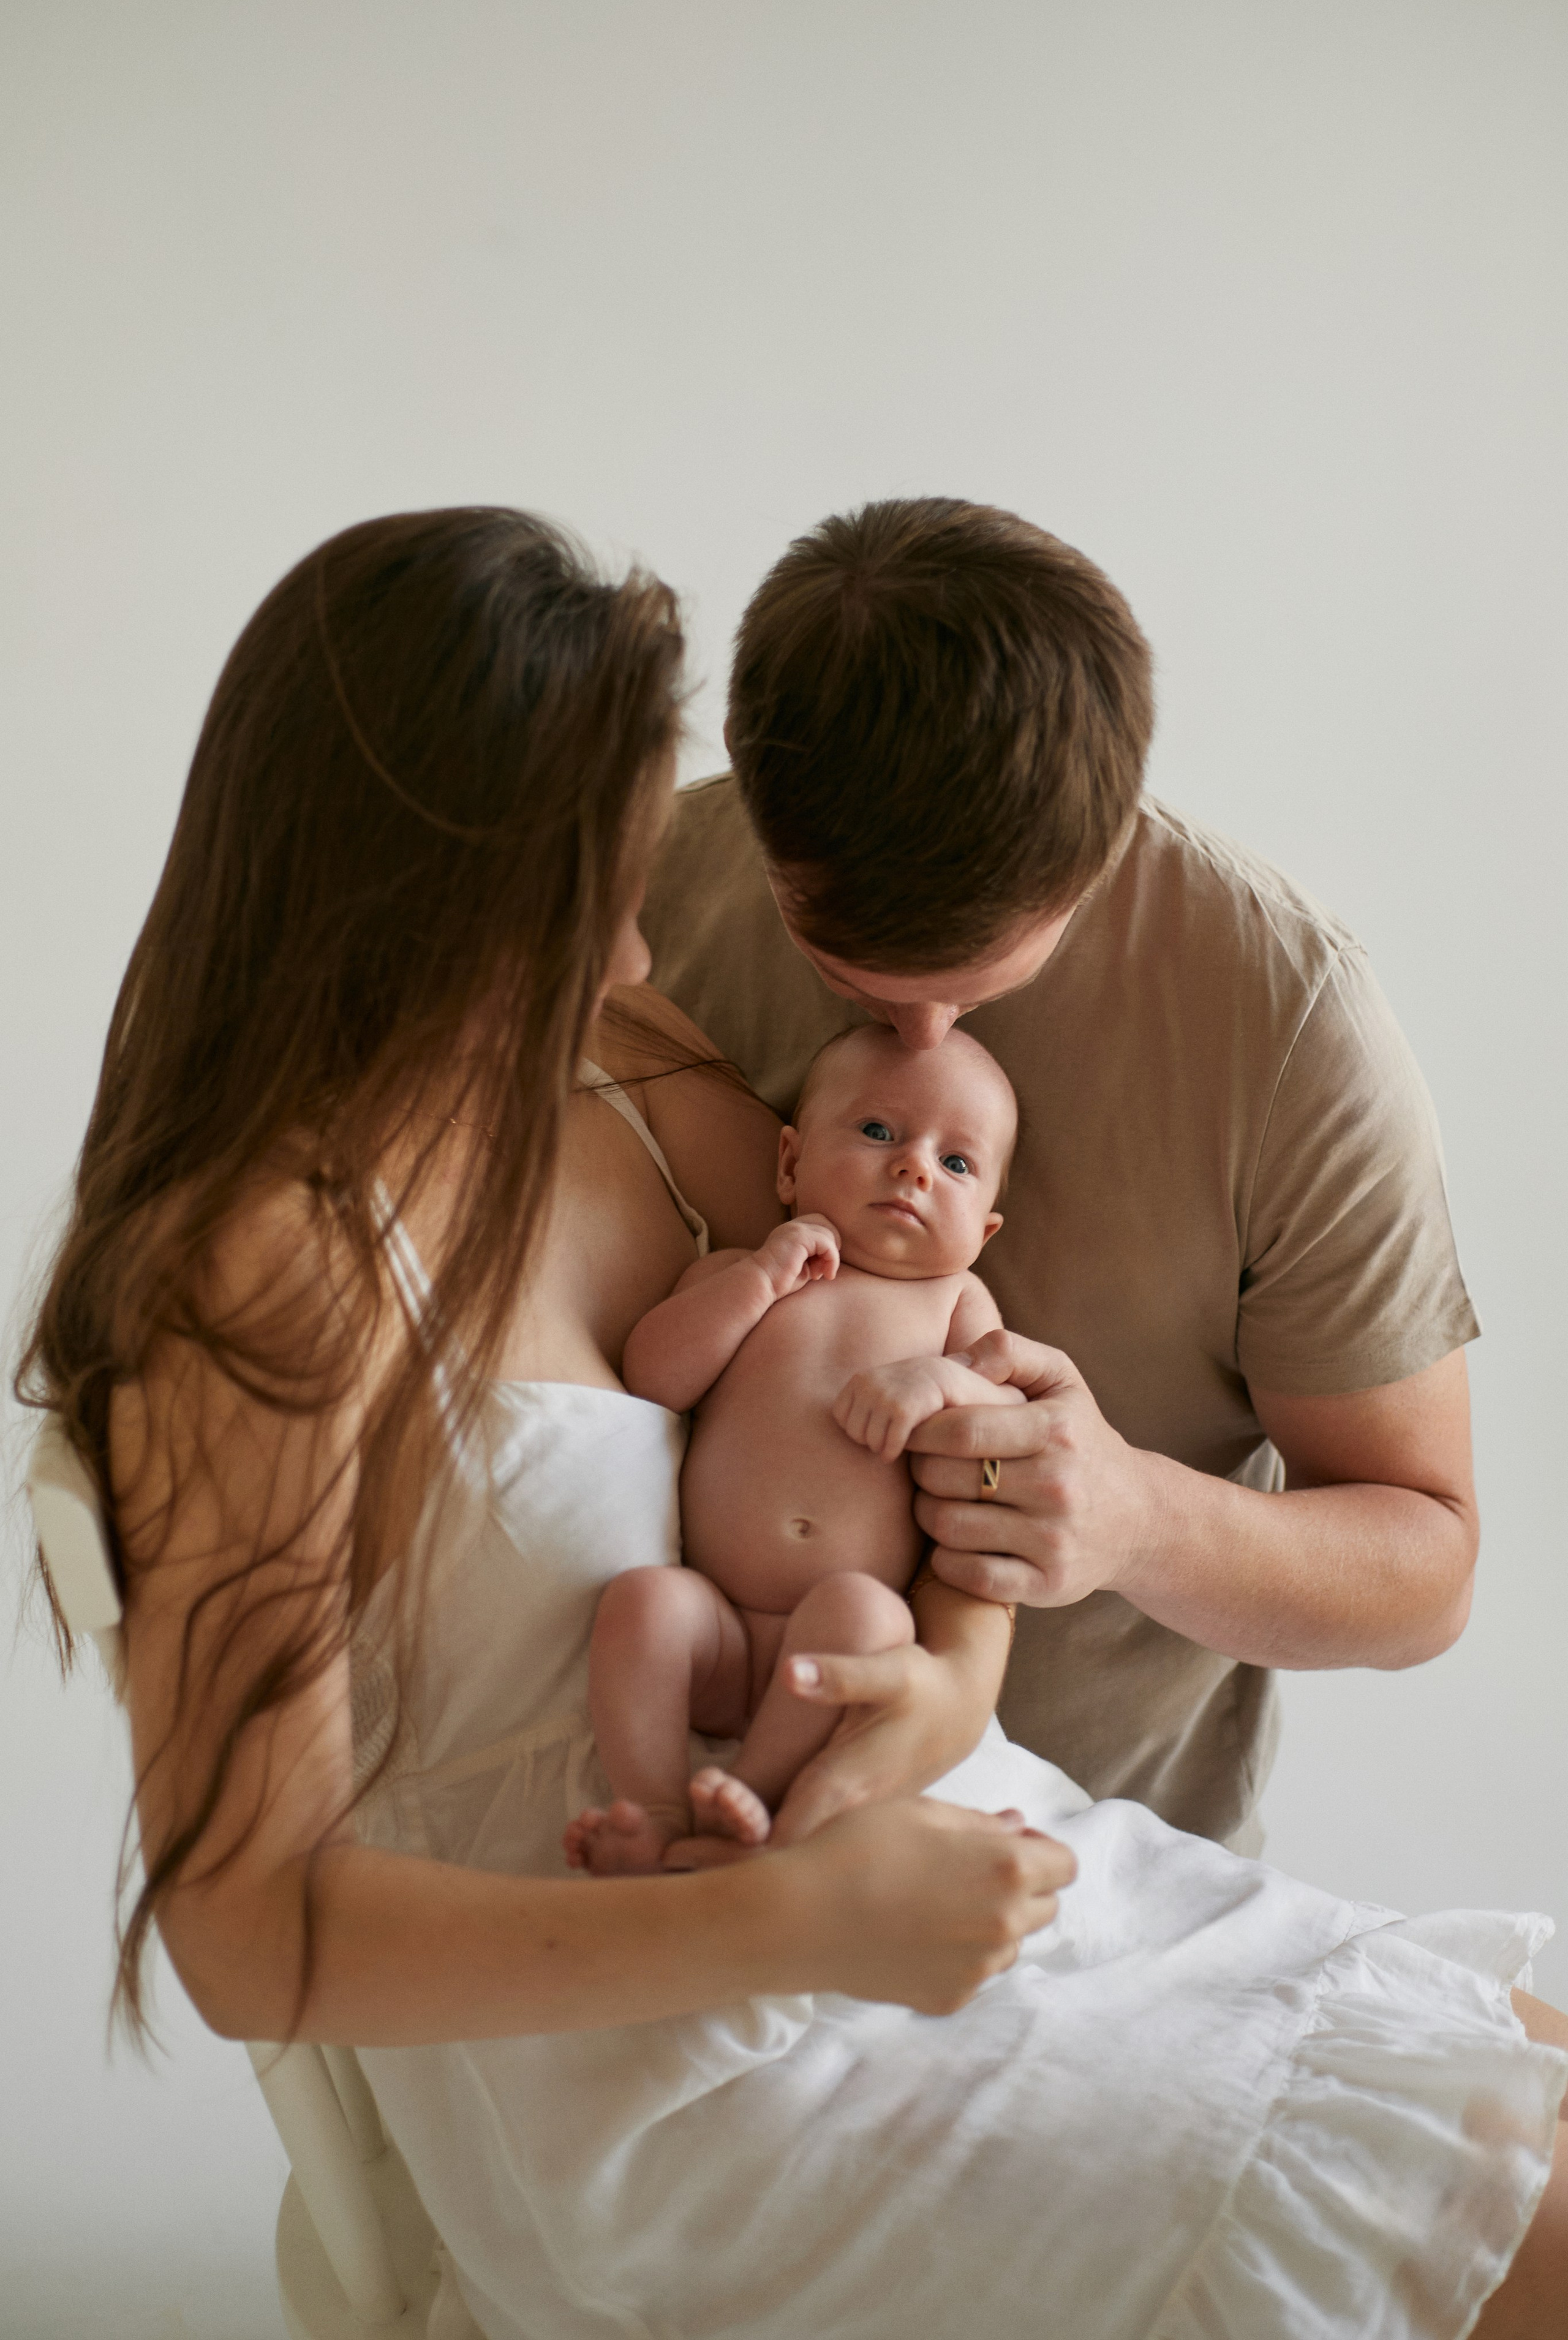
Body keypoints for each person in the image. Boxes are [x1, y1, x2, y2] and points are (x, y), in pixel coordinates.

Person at [18, 508, 1567, 2339]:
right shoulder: (268, 1271)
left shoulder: (638, 1065)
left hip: (950, 1852)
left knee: (1525, 2065)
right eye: (614, 854)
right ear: (446, 872)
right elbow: (242, 1936)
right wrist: (795, 1930)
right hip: (683, 2054)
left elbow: (926, 1418)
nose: (653, 913)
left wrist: (959, 1681)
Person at [641, 496, 1485, 1859]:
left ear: (1100, 850)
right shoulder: (640, 904)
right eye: (839, 968)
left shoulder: (1285, 1026)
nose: (915, 1048)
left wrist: (1137, 1521)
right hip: (680, 1805)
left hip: (1092, 1882)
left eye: (974, 978)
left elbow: (1424, 1575)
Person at [567, 1025, 1023, 1874]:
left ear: (985, 1230)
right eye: (879, 1132)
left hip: (833, 1645)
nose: (915, 1167)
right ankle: (659, 1808)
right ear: (790, 1163)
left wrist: (939, 1384)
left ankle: (754, 1794)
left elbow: (999, 1415)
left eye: (957, 1164)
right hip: (718, 1622)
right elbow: (655, 1376)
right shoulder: (746, 1271)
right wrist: (758, 1282)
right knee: (641, 1604)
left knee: (870, 1614)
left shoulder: (957, 1304)